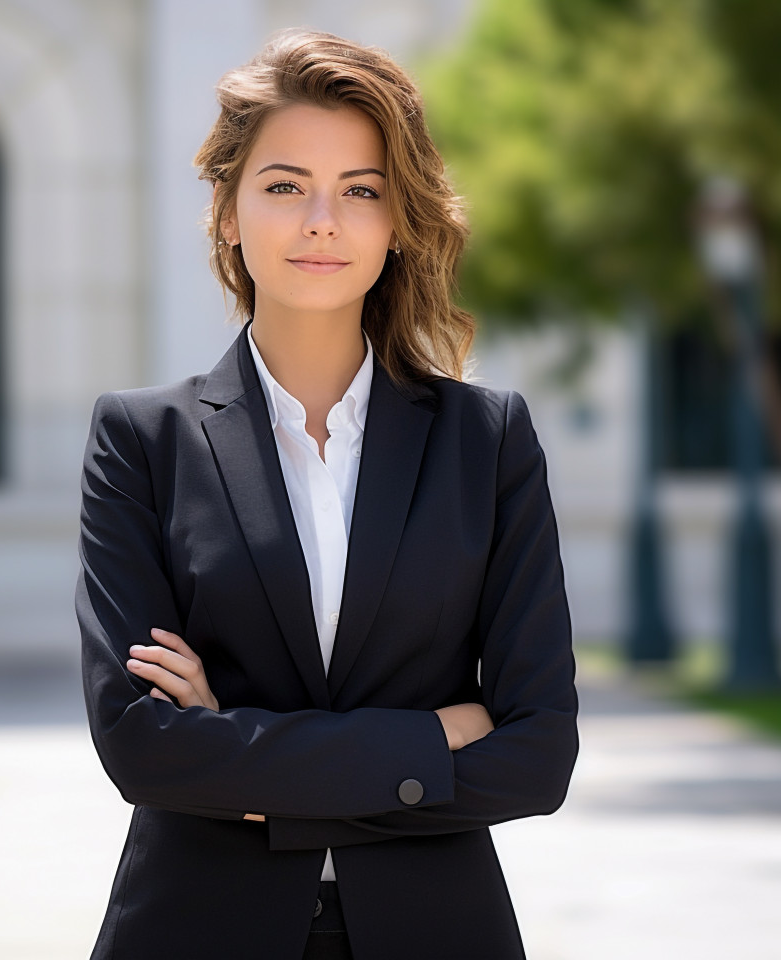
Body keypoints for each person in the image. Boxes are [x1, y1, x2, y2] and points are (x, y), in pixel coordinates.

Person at [76, 28, 578, 960]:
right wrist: (435, 735)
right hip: (195, 930)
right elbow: (140, 747)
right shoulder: (142, 441)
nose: (322, 220)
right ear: (227, 211)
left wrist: (234, 751)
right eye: (283, 185)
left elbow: (538, 756)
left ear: (397, 223)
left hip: (438, 931)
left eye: (361, 191)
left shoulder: (488, 440)